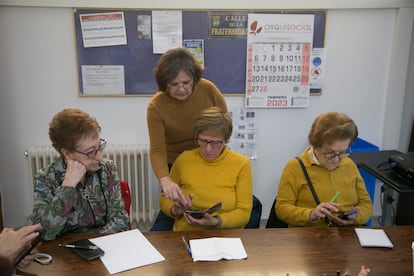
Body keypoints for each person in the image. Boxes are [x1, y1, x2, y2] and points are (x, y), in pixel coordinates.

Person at [147, 47, 227, 230]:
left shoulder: (208, 89)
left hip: (208, 157)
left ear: (195, 79)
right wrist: (165, 179)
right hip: (176, 166)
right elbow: (157, 150)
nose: (181, 89)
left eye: (186, 82)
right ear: (164, 83)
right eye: (174, 84)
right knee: (175, 212)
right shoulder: (156, 106)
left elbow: (223, 125)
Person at [31, 108, 128, 240]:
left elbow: (120, 219)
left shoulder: (107, 168)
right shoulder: (46, 179)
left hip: (105, 247)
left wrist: (92, 244)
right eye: (90, 152)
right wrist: (68, 187)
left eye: (99, 147)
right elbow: (43, 233)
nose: (99, 157)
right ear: (67, 153)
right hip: (64, 253)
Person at [159, 107, 252, 231]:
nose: (208, 149)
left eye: (215, 143)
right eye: (203, 141)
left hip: (225, 235)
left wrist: (215, 221)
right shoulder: (184, 159)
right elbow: (165, 198)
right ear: (197, 136)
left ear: (225, 140)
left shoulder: (241, 163)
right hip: (187, 232)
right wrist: (175, 210)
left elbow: (244, 213)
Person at [275, 112, 373, 227]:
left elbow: (366, 203)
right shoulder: (295, 167)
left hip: (347, 235)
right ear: (316, 144)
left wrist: (356, 217)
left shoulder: (349, 164)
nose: (336, 159)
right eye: (330, 153)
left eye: (342, 152)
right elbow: (282, 209)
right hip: (308, 238)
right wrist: (311, 214)